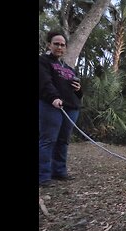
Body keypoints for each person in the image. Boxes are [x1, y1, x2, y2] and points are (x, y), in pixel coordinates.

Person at [39, 31, 83, 187]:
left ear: (65, 48)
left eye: (62, 44)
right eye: (56, 43)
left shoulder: (69, 68)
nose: (59, 46)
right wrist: (53, 98)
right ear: (49, 44)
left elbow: (78, 92)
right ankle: (43, 176)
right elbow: (45, 82)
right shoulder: (43, 61)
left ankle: (59, 171)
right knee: (48, 140)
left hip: (71, 108)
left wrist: (79, 89)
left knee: (63, 141)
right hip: (51, 105)